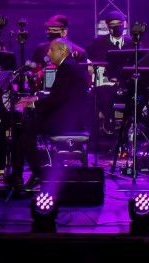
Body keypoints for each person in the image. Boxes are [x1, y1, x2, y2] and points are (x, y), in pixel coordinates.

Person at [11, 38, 94, 188]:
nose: (48, 53)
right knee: (25, 127)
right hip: (69, 115)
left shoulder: (67, 68)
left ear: (63, 51)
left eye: (52, 50)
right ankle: (18, 176)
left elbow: (57, 99)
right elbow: (59, 96)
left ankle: (36, 173)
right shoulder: (70, 65)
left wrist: (33, 104)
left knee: (24, 130)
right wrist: (37, 99)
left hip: (67, 120)